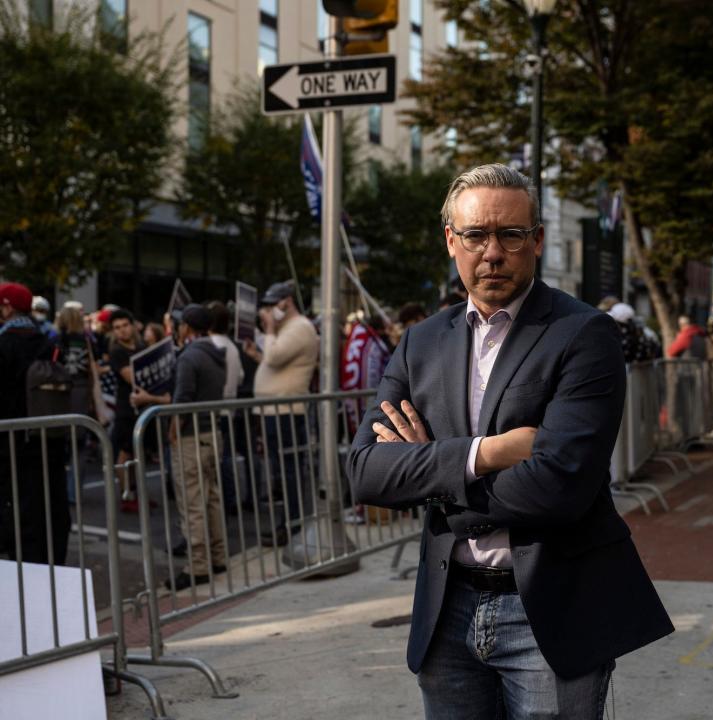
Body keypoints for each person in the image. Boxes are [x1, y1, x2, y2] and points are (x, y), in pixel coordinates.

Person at [348, 163, 673, 718]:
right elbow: (365, 472)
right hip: (446, 608)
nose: (492, 252)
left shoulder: (584, 335)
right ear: (452, 241)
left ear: (537, 240)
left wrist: (429, 470)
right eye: (475, 235)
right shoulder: (421, 343)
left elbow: (557, 489)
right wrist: (488, 453)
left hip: (549, 607)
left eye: (510, 234)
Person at [0, 282, 71, 565]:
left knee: (18, 512)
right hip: (49, 439)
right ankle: (50, 568)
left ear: (6, 307)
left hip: (11, 445)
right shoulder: (48, 341)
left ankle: (25, 574)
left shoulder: (5, 343)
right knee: (50, 509)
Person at [245, 281, 319, 547]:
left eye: (271, 305)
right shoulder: (290, 327)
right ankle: (287, 524)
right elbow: (274, 360)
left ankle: (292, 525)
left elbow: (275, 357)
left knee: (288, 472)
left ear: (285, 302)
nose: (267, 311)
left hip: (285, 410)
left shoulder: (299, 327)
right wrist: (258, 354)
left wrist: (268, 328)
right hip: (275, 409)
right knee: (280, 471)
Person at [165, 304, 228, 591]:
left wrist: (173, 431)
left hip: (192, 435)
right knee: (211, 498)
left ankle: (198, 565)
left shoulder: (189, 357)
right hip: (212, 434)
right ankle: (217, 557)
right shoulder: (216, 354)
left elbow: (183, 399)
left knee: (192, 503)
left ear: (186, 327)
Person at [207, 300, 247, 514]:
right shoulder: (231, 345)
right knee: (225, 456)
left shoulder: (211, 345)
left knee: (218, 460)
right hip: (228, 408)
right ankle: (230, 500)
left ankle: (227, 500)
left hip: (214, 410)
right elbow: (240, 377)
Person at [107, 308, 148, 512]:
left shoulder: (142, 347)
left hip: (143, 407)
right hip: (126, 408)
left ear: (132, 326)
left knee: (135, 453)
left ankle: (134, 492)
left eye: (124, 326)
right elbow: (131, 377)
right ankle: (126, 494)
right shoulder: (117, 352)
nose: (121, 331)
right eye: (117, 328)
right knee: (124, 453)